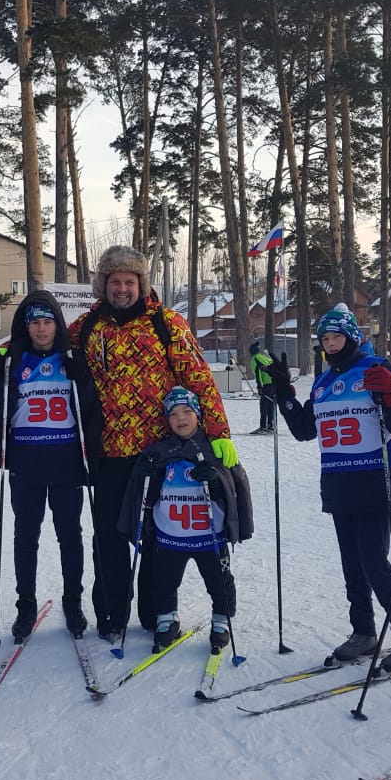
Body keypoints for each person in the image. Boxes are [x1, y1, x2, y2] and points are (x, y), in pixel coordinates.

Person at [69, 245, 236, 641]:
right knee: (108, 537)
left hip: (160, 453)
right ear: (104, 284)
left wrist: (219, 434)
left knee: (156, 537)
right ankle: (111, 612)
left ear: (141, 284)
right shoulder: (86, 328)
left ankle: (154, 610)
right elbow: (44, 343)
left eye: (130, 281)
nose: (122, 288)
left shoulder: (168, 324)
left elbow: (199, 380)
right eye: (115, 281)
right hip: (108, 453)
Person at [264, 304, 391, 672]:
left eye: (336, 335)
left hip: (375, 476)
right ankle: (364, 632)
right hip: (338, 481)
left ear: (353, 335)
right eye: (324, 338)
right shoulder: (322, 383)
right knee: (353, 566)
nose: (330, 343)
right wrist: (284, 394)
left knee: (375, 564)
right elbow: (306, 430)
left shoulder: (377, 368)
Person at [0, 291, 97, 639]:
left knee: (69, 536)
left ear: (56, 324)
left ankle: (72, 600)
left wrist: (83, 378)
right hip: (27, 461)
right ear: (26, 326)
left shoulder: (69, 358)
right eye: (35, 323)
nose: (41, 329)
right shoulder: (15, 361)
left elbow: (89, 409)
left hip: (66, 461)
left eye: (47, 322)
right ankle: (25, 604)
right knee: (25, 537)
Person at [120, 387, 252, 653]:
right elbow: (146, 495)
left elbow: (234, 489)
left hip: (209, 537)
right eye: (174, 414)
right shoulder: (159, 451)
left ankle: (221, 621)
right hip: (171, 536)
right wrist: (144, 473)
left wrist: (216, 481)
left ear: (199, 415)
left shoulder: (214, 449)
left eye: (187, 412)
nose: (181, 418)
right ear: (167, 420)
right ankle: (167, 620)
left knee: (219, 582)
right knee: (164, 582)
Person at [248, 341, 275, 433]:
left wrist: (259, 387)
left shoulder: (254, 359)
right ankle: (271, 425)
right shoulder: (263, 357)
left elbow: (257, 373)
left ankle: (263, 427)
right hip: (274, 382)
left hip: (267, 384)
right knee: (270, 404)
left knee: (263, 404)